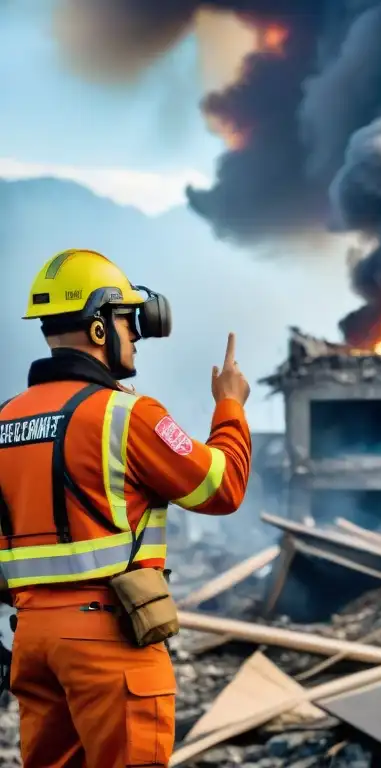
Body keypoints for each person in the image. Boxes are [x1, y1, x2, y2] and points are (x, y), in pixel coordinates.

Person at [0, 248, 252, 767]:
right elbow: (220, 487)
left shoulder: (5, 421)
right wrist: (229, 406)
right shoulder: (125, 414)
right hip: (109, 636)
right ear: (98, 329)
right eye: (126, 319)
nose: (136, 334)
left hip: (31, 641)